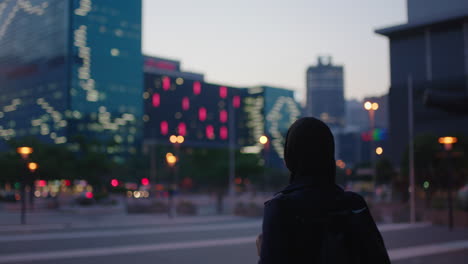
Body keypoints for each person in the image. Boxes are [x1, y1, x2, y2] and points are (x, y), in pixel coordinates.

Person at [257, 117, 390, 264]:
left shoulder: (280, 208)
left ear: (290, 156)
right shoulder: (354, 204)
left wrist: (263, 250)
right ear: (329, 153)